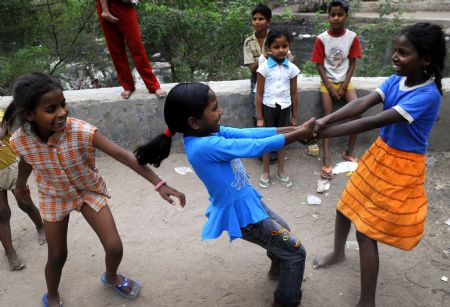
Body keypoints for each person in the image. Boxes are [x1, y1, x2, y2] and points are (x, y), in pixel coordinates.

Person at [7, 72, 185, 307]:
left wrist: (160, 184)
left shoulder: (80, 130)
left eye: (63, 104)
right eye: (51, 109)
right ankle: (52, 294)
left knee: (114, 246)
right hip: (55, 196)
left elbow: (124, 156)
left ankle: (111, 276)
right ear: (30, 114)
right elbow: (27, 160)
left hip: (87, 191)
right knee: (57, 256)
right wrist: (20, 186)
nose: (62, 112)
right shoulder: (20, 140)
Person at [134, 83, 315, 307]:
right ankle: (286, 300)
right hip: (245, 218)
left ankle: (280, 271)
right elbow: (253, 147)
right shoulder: (205, 145)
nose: (221, 112)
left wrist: (292, 130)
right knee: (296, 252)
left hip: (248, 204)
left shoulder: (207, 132)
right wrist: (296, 135)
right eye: (215, 108)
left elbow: (248, 134)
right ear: (194, 121)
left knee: (284, 230)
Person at [309, 23, 446, 307]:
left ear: (426, 59)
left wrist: (322, 131)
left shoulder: (427, 95)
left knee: (366, 231)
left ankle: (367, 302)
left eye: (403, 53)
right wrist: (323, 121)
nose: (395, 57)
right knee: (345, 206)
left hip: (402, 166)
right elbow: (361, 105)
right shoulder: (396, 80)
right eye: (396, 51)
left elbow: (372, 121)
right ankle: (338, 253)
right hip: (381, 153)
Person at [310, 0, 362, 179]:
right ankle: (326, 158)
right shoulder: (322, 38)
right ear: (328, 17)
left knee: (358, 112)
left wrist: (344, 85)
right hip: (328, 82)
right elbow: (319, 66)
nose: (336, 18)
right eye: (332, 14)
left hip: (345, 82)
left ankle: (349, 151)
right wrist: (331, 88)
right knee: (327, 119)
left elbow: (353, 62)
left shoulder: (352, 37)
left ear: (346, 16)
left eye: (340, 14)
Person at [0, 108, 46, 271]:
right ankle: (9, 251)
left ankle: (40, 226)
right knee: (2, 213)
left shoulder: (1, 115)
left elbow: (2, 130)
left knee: (24, 203)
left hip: (11, 167)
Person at [256, 27, 300, 188]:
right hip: (268, 108)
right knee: (267, 142)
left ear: (289, 46)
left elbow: (294, 94)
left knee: (282, 141)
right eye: (276, 47)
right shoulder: (264, 68)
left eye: (284, 46)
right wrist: (260, 117)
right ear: (269, 48)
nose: (281, 50)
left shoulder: (293, 69)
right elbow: (259, 93)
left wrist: (294, 116)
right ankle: (266, 171)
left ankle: (281, 171)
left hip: (284, 108)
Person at [96, 0, 167, 99]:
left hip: (124, 6)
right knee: (115, 49)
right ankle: (127, 86)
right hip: (104, 6)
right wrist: (105, 10)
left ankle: (153, 85)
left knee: (136, 46)